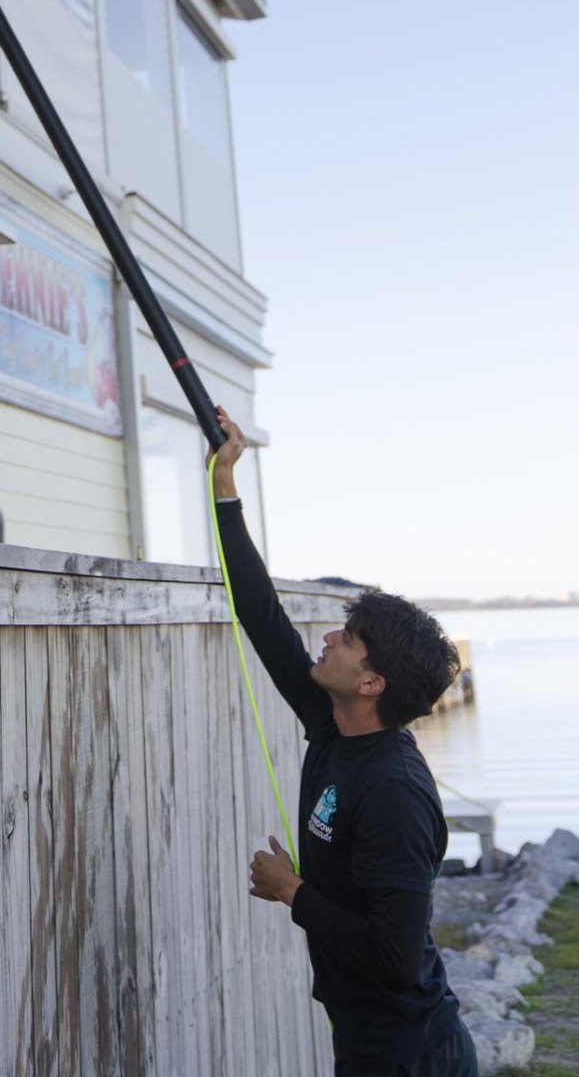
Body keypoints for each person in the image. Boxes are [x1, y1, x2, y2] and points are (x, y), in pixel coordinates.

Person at [210, 408, 477, 1077]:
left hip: (410, 1053)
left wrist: (290, 891)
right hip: (364, 1035)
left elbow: (392, 955)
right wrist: (223, 483)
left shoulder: (392, 792)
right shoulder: (334, 725)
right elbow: (259, 615)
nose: (326, 638)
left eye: (346, 638)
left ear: (371, 682)